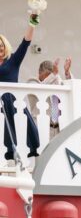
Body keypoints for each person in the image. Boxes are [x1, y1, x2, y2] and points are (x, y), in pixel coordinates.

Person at [0, 14, 41, 159]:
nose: (0, 47)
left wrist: (32, 22)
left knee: (20, 128)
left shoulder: (13, 61)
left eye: (1, 45)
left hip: (12, 101)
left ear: (5, 47)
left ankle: (25, 151)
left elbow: (26, 42)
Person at [27, 58, 73, 139]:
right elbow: (41, 90)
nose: (51, 78)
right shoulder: (32, 81)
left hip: (59, 128)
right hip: (41, 127)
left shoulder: (54, 81)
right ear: (39, 72)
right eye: (47, 75)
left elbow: (70, 88)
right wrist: (53, 75)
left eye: (51, 75)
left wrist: (67, 73)